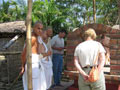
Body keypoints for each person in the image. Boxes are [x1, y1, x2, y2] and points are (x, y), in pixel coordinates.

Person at [21, 21, 47, 90]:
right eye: (38, 28)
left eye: (42, 29)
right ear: (33, 28)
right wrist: (23, 66)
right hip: (32, 65)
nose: (40, 30)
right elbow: (24, 54)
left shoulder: (37, 38)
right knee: (34, 86)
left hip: (36, 64)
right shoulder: (32, 38)